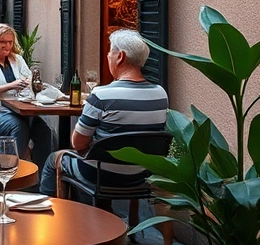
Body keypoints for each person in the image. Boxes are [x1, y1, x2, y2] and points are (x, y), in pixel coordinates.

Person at [39, 29, 168, 196]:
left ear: (120, 56)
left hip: (101, 175)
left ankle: (54, 215)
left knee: (54, 159)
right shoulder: (161, 94)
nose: (108, 57)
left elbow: (78, 143)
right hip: (143, 175)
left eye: (110, 52)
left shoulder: (101, 95)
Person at [0, 23, 54, 169]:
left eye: (10, 42)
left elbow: (29, 81)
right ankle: (9, 171)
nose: (7, 46)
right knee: (18, 127)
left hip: (20, 111)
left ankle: (41, 177)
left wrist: (31, 84)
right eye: (2, 42)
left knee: (44, 132)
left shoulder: (17, 60)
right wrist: (10, 86)